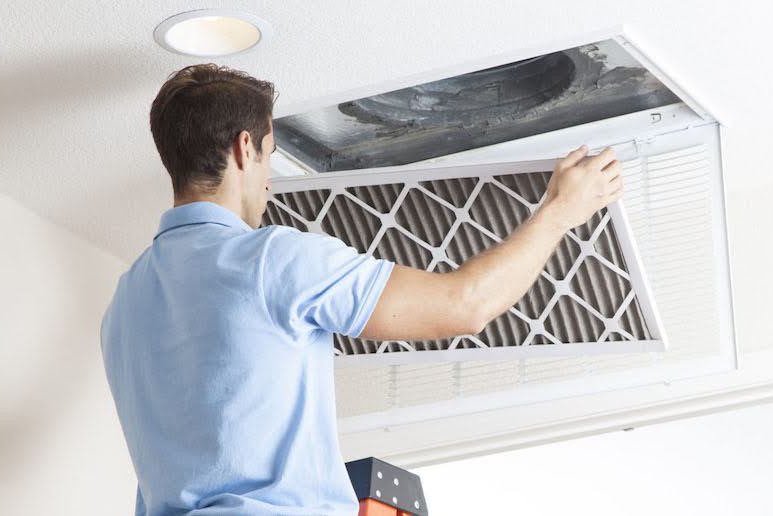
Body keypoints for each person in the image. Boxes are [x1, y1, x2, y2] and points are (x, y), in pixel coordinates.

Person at [100, 64, 623, 515]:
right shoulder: (271, 258)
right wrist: (561, 213)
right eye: (270, 156)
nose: (269, 181)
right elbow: (465, 306)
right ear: (245, 150)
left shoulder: (125, 301)